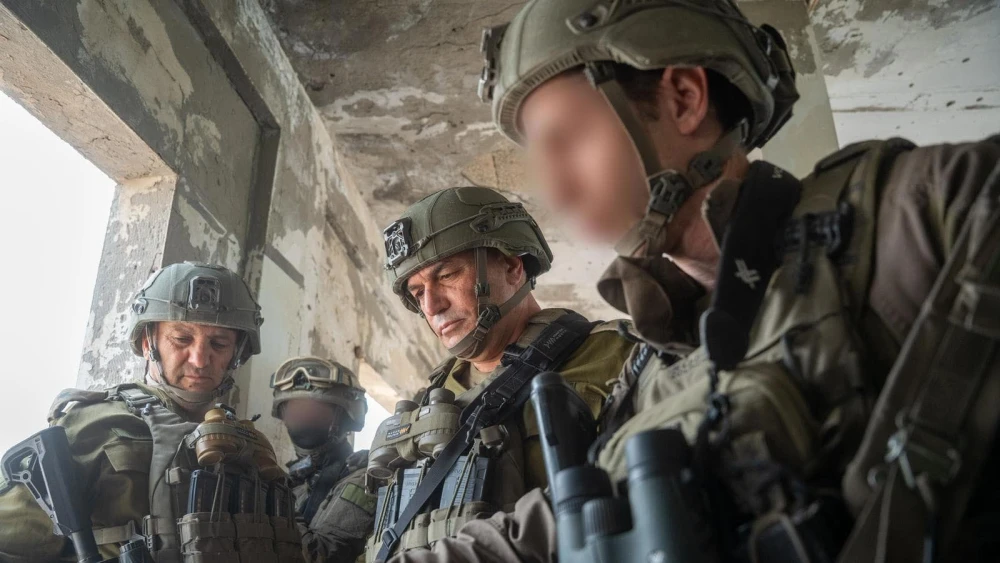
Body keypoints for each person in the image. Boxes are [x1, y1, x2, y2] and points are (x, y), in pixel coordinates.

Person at [390, 0, 1000, 561]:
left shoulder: (924, 210)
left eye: (570, 140)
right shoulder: (652, 370)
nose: (557, 191)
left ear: (683, 98)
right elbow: (536, 534)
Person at [366, 186, 634, 561]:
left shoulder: (615, 354)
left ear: (512, 266)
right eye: (416, 290)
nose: (432, 304)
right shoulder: (432, 398)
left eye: (446, 275)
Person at [0, 262, 305, 562]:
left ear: (236, 354)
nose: (200, 359)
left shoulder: (248, 445)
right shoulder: (95, 423)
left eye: (218, 343)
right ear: (149, 343)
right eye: (182, 339)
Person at [271, 356, 375, 563]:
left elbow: (320, 557)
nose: (302, 418)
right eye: (294, 410)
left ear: (346, 416)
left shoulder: (364, 480)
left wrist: (269, 494)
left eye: (314, 411)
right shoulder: (294, 480)